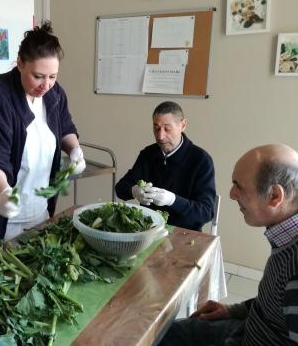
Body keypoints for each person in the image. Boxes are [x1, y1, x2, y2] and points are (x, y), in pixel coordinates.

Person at [0, 21, 85, 251]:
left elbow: (65, 126)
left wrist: (74, 150)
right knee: (6, 273)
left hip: (39, 208)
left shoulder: (54, 93)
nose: (46, 85)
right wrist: (4, 193)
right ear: (19, 64)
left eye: (53, 76)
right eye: (38, 76)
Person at [159, 144, 298, 346]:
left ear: (275, 196)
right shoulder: (285, 235)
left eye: (239, 186)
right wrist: (234, 310)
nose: (232, 194)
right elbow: (276, 309)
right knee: (162, 335)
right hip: (246, 328)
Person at [115, 101, 215, 231]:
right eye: (156, 128)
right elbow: (120, 189)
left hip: (184, 233)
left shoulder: (201, 160)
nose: (161, 136)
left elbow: (206, 212)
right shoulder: (148, 154)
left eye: (167, 129)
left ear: (183, 125)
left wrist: (173, 200)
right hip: (148, 230)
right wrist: (134, 191)